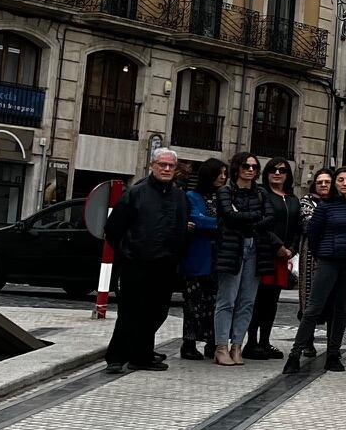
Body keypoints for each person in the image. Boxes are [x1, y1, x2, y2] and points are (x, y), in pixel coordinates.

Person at [102, 149, 190, 373]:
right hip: (136, 264)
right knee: (130, 312)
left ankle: (141, 356)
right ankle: (116, 357)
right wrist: (127, 253)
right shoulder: (135, 193)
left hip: (166, 265)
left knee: (157, 312)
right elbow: (113, 229)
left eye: (171, 166)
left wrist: (176, 254)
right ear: (152, 165)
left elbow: (181, 228)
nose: (167, 169)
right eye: (162, 164)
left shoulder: (180, 197)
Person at [287, 168, 346, 374]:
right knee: (313, 308)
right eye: (341, 180)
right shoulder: (325, 207)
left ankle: (333, 354)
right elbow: (313, 234)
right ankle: (295, 354)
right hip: (329, 261)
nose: (345, 183)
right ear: (335, 183)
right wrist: (323, 253)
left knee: (341, 309)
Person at [212, 152, 265, 366]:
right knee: (227, 299)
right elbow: (228, 215)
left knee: (247, 301)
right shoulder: (225, 191)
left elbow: (267, 218)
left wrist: (242, 216)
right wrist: (252, 216)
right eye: (246, 166)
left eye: (254, 166)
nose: (250, 170)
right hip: (232, 248)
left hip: (255, 247)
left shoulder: (260, 193)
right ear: (237, 168)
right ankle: (221, 347)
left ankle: (237, 345)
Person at [245, 159, 301, 362]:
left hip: (284, 256)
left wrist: (291, 249)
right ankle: (251, 343)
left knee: (272, 302)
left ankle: (264, 341)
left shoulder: (293, 199)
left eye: (282, 170)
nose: (277, 174)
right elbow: (260, 223)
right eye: (273, 170)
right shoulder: (261, 195)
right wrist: (278, 246)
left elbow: (297, 227)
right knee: (258, 299)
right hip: (265, 252)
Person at [179, 160, 224, 362]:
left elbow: (230, 220)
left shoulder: (224, 196)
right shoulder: (191, 196)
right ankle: (188, 343)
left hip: (219, 258)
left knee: (214, 302)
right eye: (219, 173)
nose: (223, 177)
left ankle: (212, 342)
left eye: (225, 173)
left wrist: (205, 225)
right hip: (197, 257)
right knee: (193, 303)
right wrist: (218, 224)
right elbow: (196, 219)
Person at [293, 168, 334, 360]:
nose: (324, 185)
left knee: (334, 299)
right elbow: (309, 225)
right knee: (309, 298)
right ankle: (306, 342)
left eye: (327, 182)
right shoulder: (306, 202)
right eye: (320, 182)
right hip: (311, 254)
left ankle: (333, 345)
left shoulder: (339, 200)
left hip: (336, 254)